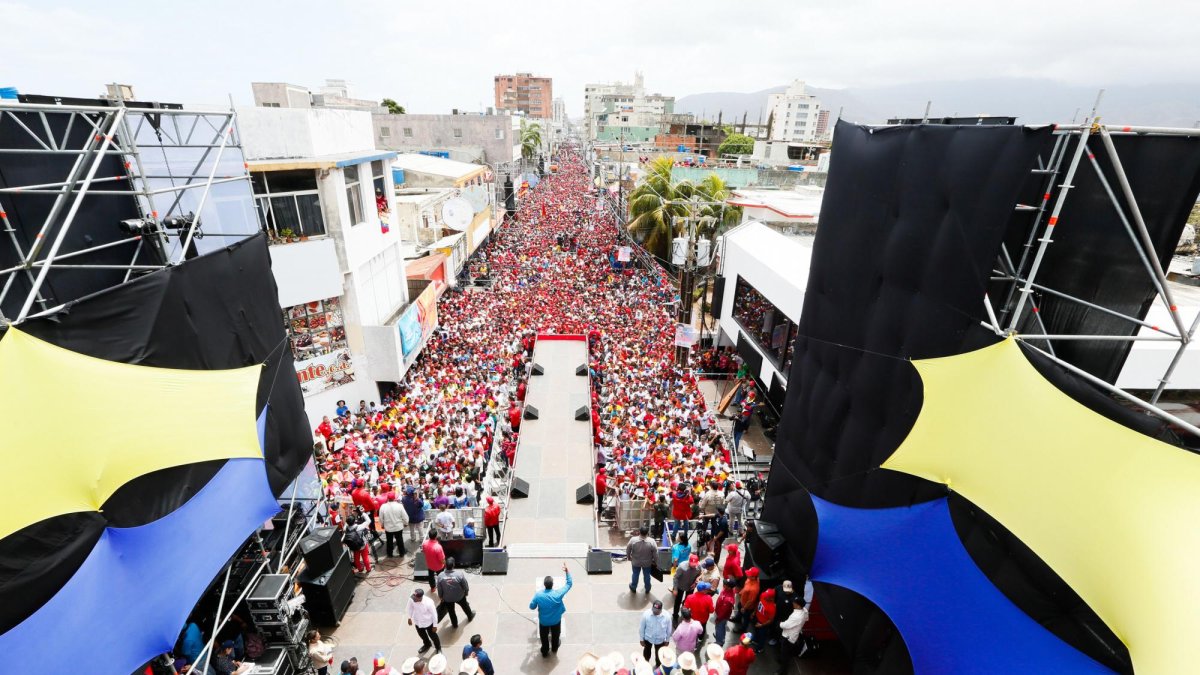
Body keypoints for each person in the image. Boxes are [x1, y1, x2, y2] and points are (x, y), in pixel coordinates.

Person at [529, 562, 573, 657]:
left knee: (544, 637)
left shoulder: (538, 595)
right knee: (556, 635)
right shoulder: (558, 593)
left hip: (544, 622)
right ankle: (554, 648)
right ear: (552, 584)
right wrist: (567, 571)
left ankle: (545, 651)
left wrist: (535, 602)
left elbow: (532, 607)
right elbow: (569, 584)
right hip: (556, 621)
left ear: (544, 585)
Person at [435, 557, 477, 628]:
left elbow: (439, 589)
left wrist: (441, 597)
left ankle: (454, 624)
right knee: (465, 606)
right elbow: (465, 585)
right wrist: (466, 592)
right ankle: (470, 616)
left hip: (447, 599)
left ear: (445, 565)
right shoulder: (459, 574)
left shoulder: (440, 576)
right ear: (453, 565)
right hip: (460, 596)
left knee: (451, 611)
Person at [777, 596, 809, 674]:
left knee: (785, 654)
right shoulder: (805, 610)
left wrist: (780, 623)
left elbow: (785, 625)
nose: (793, 603)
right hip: (794, 635)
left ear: (798, 605)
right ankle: (781, 659)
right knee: (786, 652)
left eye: (794, 602)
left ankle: (783, 671)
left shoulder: (796, 616)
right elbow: (807, 619)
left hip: (788, 637)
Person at [406, 588, 442, 654]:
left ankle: (438, 648)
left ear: (420, 597)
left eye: (415, 598)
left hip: (428, 622)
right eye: (414, 596)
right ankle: (427, 644)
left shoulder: (429, 602)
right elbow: (410, 608)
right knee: (422, 636)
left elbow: (434, 614)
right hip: (418, 622)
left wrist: (435, 625)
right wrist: (409, 618)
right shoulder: (412, 599)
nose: (414, 599)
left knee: (433, 636)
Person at [639, 600, 672, 666]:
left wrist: (667, 640)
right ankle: (646, 664)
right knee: (646, 653)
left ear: (661, 610)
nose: (655, 612)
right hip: (648, 638)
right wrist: (641, 639)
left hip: (660, 640)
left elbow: (669, 629)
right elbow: (642, 627)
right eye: (654, 610)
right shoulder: (646, 614)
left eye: (657, 611)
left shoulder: (667, 616)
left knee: (659, 655)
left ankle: (658, 665)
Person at [627, 526, 658, 593]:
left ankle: (633, 587)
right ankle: (647, 588)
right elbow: (655, 553)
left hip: (636, 562)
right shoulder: (652, 541)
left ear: (639, 532)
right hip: (647, 563)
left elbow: (628, 549)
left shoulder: (633, 540)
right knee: (647, 575)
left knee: (635, 574)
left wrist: (628, 557)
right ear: (647, 533)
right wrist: (656, 562)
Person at [379, 491, 409, 558]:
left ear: (387, 498)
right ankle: (402, 553)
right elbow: (405, 516)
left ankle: (390, 554)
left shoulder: (383, 506)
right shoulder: (399, 506)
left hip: (388, 528)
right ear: (394, 498)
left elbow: (381, 518)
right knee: (400, 540)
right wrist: (406, 523)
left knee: (389, 541)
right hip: (398, 527)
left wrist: (382, 525)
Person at [673, 555, 701, 622]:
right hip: (680, 587)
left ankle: (685, 613)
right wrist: (675, 589)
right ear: (689, 562)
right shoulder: (682, 567)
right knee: (677, 602)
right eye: (692, 564)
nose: (694, 566)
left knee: (688, 602)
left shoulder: (699, 566)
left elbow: (700, 574)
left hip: (690, 587)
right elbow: (675, 578)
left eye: (695, 565)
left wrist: (695, 582)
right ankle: (675, 616)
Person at [344, 510, 372, 574]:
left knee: (356, 559)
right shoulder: (359, 527)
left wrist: (347, 520)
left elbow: (345, 525)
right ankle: (368, 569)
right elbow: (368, 521)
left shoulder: (346, 528)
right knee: (365, 557)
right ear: (354, 521)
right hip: (362, 545)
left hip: (354, 546)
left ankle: (360, 568)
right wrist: (363, 513)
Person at [713, 579, 737, 647]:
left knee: (720, 627)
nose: (723, 585)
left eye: (725, 584)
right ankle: (719, 636)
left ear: (729, 587)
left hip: (722, 616)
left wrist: (718, 619)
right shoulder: (726, 590)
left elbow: (724, 612)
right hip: (719, 612)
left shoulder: (728, 600)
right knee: (720, 627)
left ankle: (719, 642)